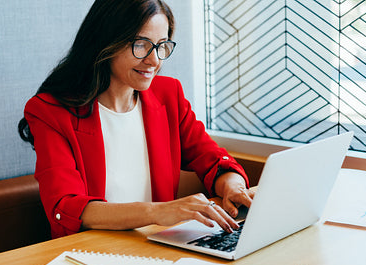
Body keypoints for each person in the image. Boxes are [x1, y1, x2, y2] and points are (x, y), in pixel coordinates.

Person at [18, 0, 255, 239]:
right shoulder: (50, 112)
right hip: (90, 255)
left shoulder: (168, 95)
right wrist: (157, 212)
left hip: (161, 247)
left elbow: (214, 160)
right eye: (141, 45)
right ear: (106, 41)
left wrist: (233, 186)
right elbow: (66, 207)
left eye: (162, 46)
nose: (154, 61)